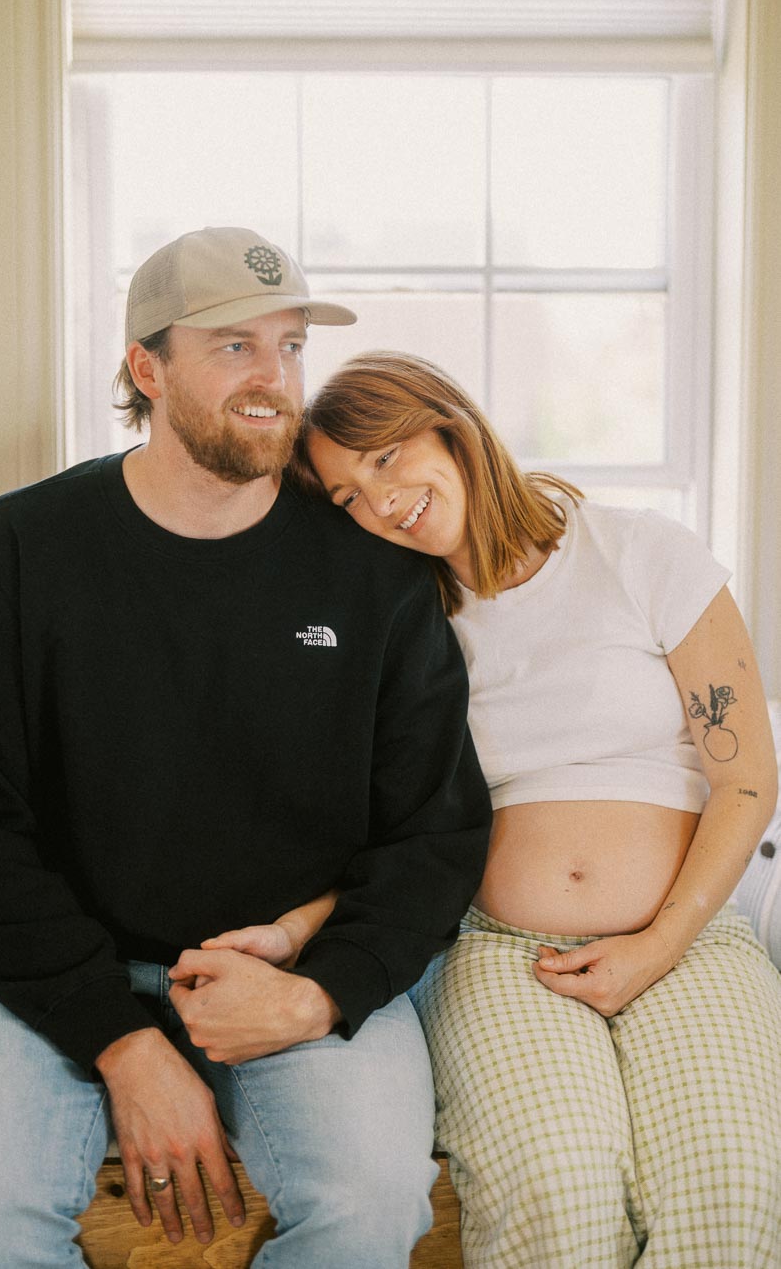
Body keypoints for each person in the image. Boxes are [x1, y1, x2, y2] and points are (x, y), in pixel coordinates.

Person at [0, 232, 492, 1269]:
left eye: (292, 346)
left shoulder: (376, 576)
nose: (275, 380)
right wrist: (123, 1044)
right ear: (146, 366)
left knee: (370, 1203)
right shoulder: (23, 548)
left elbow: (435, 835)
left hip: (295, 969)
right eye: (232, 347)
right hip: (44, 968)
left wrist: (318, 990)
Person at [290, 348, 781, 1268]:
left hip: (691, 939)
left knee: (732, 1184)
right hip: (501, 952)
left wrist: (658, 942)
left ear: (450, 421)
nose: (380, 498)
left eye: (386, 457)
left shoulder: (639, 551)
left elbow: (749, 774)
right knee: (557, 1186)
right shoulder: (405, 621)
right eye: (347, 494)